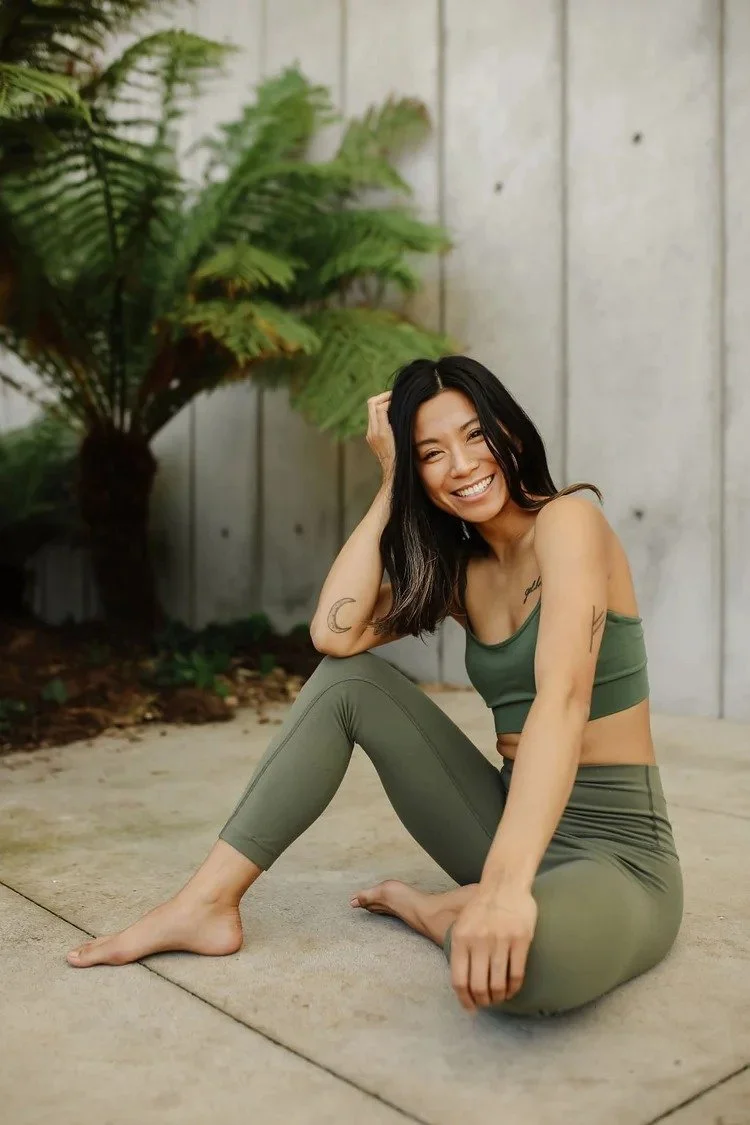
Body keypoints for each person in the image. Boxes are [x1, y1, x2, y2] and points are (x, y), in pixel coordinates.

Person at [67, 355, 683, 1018]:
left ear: (510, 430)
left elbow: (563, 699)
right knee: (346, 681)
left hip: (614, 851)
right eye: (431, 453)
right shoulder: (461, 575)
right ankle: (206, 903)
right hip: (506, 820)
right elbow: (335, 635)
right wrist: (391, 483)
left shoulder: (569, 523)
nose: (464, 463)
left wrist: (501, 890)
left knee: (517, 972)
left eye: (476, 435)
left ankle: (433, 910)